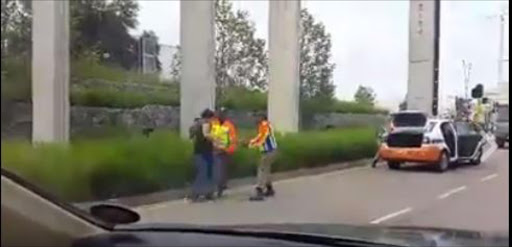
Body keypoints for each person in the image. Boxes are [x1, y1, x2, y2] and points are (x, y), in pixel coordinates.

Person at [187, 109, 216, 202]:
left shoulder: (196, 123)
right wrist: (215, 140)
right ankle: (205, 193)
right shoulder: (206, 123)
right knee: (207, 172)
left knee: (199, 171)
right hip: (206, 150)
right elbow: (206, 134)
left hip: (197, 150)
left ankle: (196, 194)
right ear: (209, 117)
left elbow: (191, 136)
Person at [248, 114, 278, 201]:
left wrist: (250, 144)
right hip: (270, 151)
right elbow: (259, 137)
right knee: (266, 169)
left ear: (261, 117)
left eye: (256, 116)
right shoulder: (263, 125)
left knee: (262, 169)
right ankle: (269, 188)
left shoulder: (264, 125)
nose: (254, 119)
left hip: (269, 151)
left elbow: (261, 138)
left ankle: (259, 190)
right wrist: (250, 142)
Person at [210, 112, 231, 197]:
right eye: (219, 115)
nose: (220, 117)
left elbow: (232, 139)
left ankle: (220, 188)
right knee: (215, 171)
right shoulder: (213, 124)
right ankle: (215, 189)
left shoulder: (229, 125)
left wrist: (228, 150)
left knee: (221, 172)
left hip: (224, 151)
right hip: (214, 151)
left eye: (222, 115)